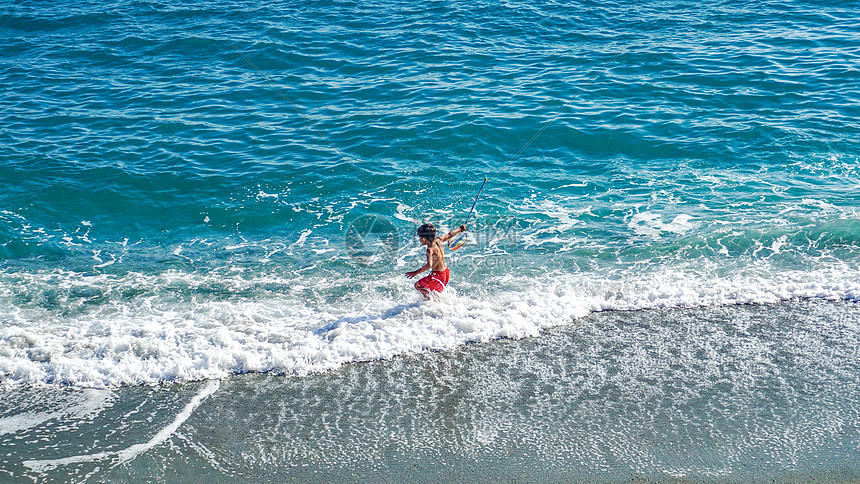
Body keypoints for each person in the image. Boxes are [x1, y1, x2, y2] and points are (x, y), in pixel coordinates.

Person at [406, 223, 466, 299]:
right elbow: (450, 234)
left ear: (424, 238)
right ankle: (437, 302)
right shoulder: (439, 240)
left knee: (417, 285)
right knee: (433, 290)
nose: (420, 240)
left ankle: (432, 302)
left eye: (420, 237)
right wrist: (460, 228)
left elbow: (429, 265)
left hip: (438, 275)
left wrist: (415, 272)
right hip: (446, 272)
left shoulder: (429, 249)